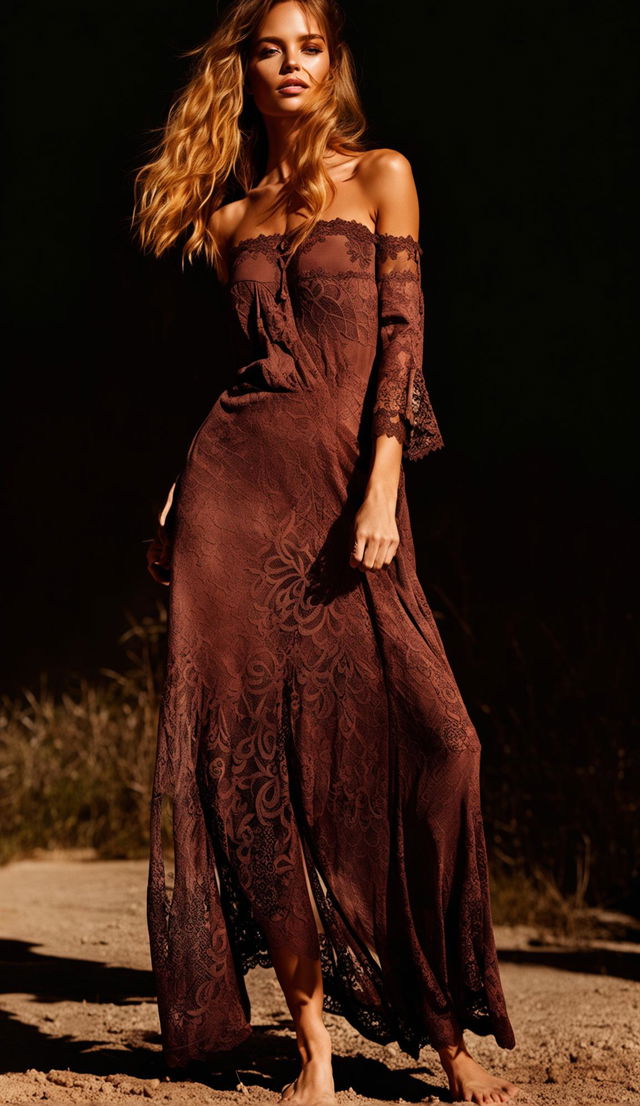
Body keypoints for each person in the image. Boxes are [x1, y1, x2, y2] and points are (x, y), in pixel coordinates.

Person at [134, 1, 520, 1103]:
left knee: (444, 743)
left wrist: (383, 480)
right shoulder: (229, 222)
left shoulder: (382, 174)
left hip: (351, 503)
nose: (291, 63)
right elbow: (250, 376)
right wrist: (182, 482)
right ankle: (313, 1051)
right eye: (270, 46)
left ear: (334, 60)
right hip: (231, 502)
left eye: (310, 44)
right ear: (246, 68)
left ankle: (440, 1024)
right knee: (254, 776)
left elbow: (400, 338)